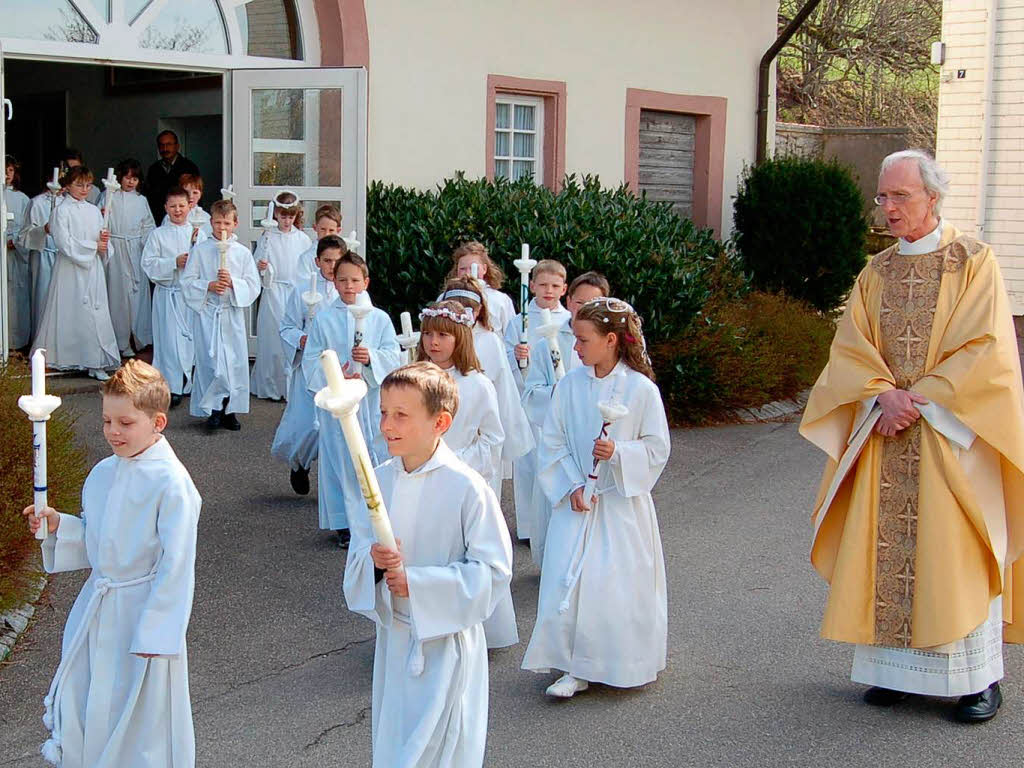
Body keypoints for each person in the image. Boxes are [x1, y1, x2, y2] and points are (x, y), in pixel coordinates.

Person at [799, 149, 1024, 723]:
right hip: (887, 430)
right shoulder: (876, 273)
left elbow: (986, 349)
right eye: (883, 196)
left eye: (900, 196)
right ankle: (894, 675)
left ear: (933, 197)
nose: (889, 208)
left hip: (949, 436)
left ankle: (977, 681)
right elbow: (850, 347)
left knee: (958, 552)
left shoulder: (973, 261)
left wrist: (918, 401)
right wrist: (880, 395)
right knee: (885, 551)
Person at [23, 359, 201, 768]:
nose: (113, 432)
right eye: (106, 421)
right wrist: (58, 526)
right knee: (90, 700)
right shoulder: (104, 473)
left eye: (125, 422)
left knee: (139, 717)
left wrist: (157, 633)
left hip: (141, 617)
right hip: (99, 607)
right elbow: (98, 540)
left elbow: (177, 565)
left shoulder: (172, 484)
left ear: (158, 422)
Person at [343, 362, 513, 767]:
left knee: (438, 750)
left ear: (441, 421)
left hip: (446, 645)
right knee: (397, 742)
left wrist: (417, 584)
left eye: (402, 415)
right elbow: (360, 551)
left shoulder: (467, 487)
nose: (387, 425)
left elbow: (493, 570)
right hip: (396, 640)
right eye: (383, 412)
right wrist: (375, 565)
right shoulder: (379, 480)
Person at [522, 298, 670, 698]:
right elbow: (551, 440)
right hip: (578, 502)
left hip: (620, 504)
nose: (575, 347)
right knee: (567, 581)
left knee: (612, 584)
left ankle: (620, 661)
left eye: (583, 339)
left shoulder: (640, 389)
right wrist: (572, 485)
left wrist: (619, 453)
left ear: (610, 340)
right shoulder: (570, 385)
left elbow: (657, 448)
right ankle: (573, 665)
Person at [415, 299, 518, 649]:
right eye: (428, 334)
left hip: (461, 478)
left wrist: (454, 462)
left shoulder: (477, 385)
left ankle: (474, 627)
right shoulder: (414, 379)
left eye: (443, 334)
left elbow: (493, 438)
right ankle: (426, 618)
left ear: (460, 337)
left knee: (463, 550)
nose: (434, 342)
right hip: (419, 475)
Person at [303, 250, 400, 547]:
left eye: (355, 280)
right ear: (333, 281)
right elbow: (312, 357)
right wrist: (335, 376)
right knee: (342, 460)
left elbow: (393, 354)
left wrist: (371, 360)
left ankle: (377, 518)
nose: (349, 286)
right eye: (342, 280)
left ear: (366, 282)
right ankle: (344, 522)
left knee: (373, 454)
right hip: (340, 403)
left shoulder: (380, 319)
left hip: (371, 401)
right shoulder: (324, 319)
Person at [522, 271, 610, 564]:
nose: (585, 309)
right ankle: (554, 563)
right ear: (568, 300)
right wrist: (558, 394)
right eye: (580, 302)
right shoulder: (549, 338)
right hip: (560, 439)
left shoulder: (611, 348)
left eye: (595, 303)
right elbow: (531, 393)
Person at [440, 276, 533, 504]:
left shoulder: (489, 341)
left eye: (468, 310)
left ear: (478, 310)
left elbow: (502, 387)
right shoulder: (440, 340)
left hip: (476, 435)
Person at [503, 258, 570, 540]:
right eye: (542, 284)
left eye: (555, 285)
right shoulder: (519, 322)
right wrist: (516, 356)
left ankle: (557, 518)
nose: (548, 290)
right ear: (531, 285)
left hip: (558, 400)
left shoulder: (568, 323)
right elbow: (504, 356)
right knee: (528, 463)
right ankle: (530, 527)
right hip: (527, 401)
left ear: (564, 289)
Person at [180, 199, 261, 431]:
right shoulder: (200, 250)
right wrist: (208, 285)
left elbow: (253, 285)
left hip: (231, 315)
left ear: (235, 223)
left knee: (233, 363)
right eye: (217, 222)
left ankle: (230, 410)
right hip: (208, 315)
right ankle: (212, 409)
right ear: (210, 222)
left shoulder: (242, 253)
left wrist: (234, 284)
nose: (222, 228)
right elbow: (187, 282)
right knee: (210, 362)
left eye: (227, 223)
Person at [32, 166, 120, 380]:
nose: (84, 189)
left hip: (92, 269)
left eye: (88, 185)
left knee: (94, 311)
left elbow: (102, 239)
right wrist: (93, 247)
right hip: (70, 269)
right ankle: (69, 357)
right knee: (73, 311)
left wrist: (104, 245)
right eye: (79, 185)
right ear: (68, 185)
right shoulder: (61, 211)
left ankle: (95, 361)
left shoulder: (92, 210)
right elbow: (64, 242)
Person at [271, 234, 341, 495]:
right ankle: (300, 463)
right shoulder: (302, 291)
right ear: (317, 261)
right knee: (308, 423)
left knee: (333, 426)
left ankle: (332, 481)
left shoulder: (350, 291)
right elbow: (287, 326)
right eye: (327, 260)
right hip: (311, 367)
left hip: (339, 369)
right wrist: (301, 339)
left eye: (338, 260)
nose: (332, 267)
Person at [142, 186, 208, 407]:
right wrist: (173, 263)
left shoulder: (199, 233)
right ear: (165, 208)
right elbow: (148, 264)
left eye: (182, 205)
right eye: (173, 206)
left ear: (190, 206)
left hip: (190, 297)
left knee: (192, 341)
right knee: (169, 342)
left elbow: (208, 260)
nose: (178, 210)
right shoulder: (157, 235)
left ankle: (192, 383)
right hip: (169, 296)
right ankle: (172, 387)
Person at [251, 191, 312, 400]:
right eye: (283, 216)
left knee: (290, 339)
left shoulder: (302, 239)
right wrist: (262, 267)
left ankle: (289, 387)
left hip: (293, 293)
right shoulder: (267, 237)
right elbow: (258, 263)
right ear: (275, 214)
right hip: (273, 291)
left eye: (290, 216)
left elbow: (306, 268)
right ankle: (270, 385)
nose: (286, 221)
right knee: (272, 339)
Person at [99, 158, 156, 357]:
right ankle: (120, 341)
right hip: (115, 251)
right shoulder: (109, 196)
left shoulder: (141, 200)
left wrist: (145, 244)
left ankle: (139, 337)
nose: (131, 182)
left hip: (135, 250)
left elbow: (148, 226)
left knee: (137, 295)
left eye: (135, 178)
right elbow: (100, 221)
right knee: (118, 296)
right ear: (120, 177)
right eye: (127, 177)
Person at [21, 170, 65, 340]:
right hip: (43, 256)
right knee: (43, 298)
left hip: (63, 256)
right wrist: (43, 230)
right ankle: (42, 342)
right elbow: (25, 234)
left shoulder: (67, 203)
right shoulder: (36, 203)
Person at [446, 240, 516, 334]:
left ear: (484, 269)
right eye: (463, 269)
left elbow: (511, 334)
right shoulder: (447, 297)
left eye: (473, 268)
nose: (468, 273)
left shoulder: (501, 300)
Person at [4, 155, 31, 350]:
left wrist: (17, 241)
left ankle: (17, 342)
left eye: (10, 170)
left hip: (16, 254)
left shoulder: (22, 199)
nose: (6, 174)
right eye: (3, 170)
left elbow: (27, 227)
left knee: (17, 298)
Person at [145, 131, 200, 222]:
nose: (165, 148)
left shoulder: (189, 167)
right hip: (157, 219)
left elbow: (196, 194)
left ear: (177, 146)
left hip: (184, 218)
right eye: (162, 145)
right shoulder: (154, 169)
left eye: (169, 144)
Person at [162, 173, 212, 239]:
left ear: (200, 194)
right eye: (186, 192)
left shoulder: (206, 218)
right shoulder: (170, 216)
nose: (191, 196)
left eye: (195, 193)